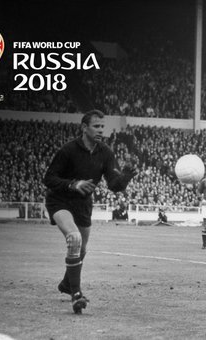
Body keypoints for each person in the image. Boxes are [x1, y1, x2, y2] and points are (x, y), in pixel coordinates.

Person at [44, 110, 137, 314]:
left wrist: (127, 175)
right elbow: (48, 178)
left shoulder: (105, 153)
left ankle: (67, 284)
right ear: (84, 128)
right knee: (74, 239)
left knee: (81, 250)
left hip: (83, 204)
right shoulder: (68, 150)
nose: (100, 130)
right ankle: (76, 294)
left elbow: (114, 185)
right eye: (96, 126)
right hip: (60, 200)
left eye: (102, 127)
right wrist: (73, 184)